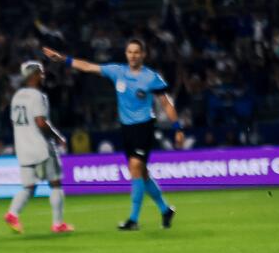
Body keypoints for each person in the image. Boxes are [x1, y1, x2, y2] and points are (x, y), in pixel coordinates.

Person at [44, 39, 184, 229]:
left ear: (143, 55)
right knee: (141, 173)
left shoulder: (151, 77)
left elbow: (166, 103)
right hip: (126, 129)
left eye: (136, 52)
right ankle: (165, 210)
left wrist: (177, 128)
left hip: (144, 127)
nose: (133, 55)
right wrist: (63, 59)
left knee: (135, 167)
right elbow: (88, 67)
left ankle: (133, 220)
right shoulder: (117, 71)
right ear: (126, 54)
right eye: (130, 52)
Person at [4, 62, 74, 234]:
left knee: (29, 187)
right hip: (41, 148)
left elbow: (14, 121)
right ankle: (58, 224)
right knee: (55, 183)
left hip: (23, 148)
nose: (43, 76)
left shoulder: (17, 96)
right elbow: (41, 122)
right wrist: (57, 137)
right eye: (41, 73)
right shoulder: (37, 96)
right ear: (33, 75)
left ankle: (12, 214)